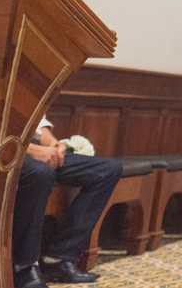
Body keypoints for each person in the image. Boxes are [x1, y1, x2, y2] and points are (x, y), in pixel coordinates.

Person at [13, 117, 122, 287]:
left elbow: (36, 114)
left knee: (107, 170)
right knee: (40, 172)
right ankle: (24, 267)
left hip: (31, 145)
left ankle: (58, 258)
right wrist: (29, 150)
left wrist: (50, 141)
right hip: (2, 150)